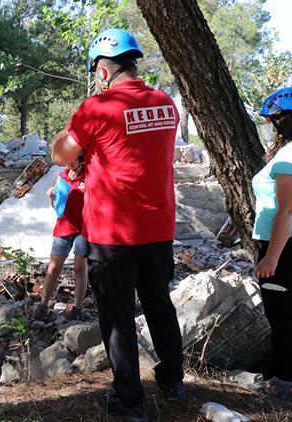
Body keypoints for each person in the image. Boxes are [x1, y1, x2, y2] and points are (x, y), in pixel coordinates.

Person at [51, 28, 185, 421]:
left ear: (103, 71)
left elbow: (61, 154)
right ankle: (173, 380)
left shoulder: (98, 108)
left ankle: (130, 402)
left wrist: (78, 132)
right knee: (160, 304)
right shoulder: (166, 103)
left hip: (113, 234)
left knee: (117, 317)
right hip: (159, 229)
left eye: (96, 73)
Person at [252, 87, 292, 402]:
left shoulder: (291, 155)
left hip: (284, 246)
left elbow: (286, 211)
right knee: (290, 316)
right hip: (290, 244)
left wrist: (271, 258)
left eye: (270, 119)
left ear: (281, 119)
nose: (267, 124)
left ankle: (282, 383)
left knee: (281, 319)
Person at [34, 153, 88, 321]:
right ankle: (43, 305)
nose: (67, 160)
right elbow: (57, 206)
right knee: (54, 268)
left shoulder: (89, 176)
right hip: (63, 227)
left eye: (70, 157)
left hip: (84, 228)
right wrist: (51, 197)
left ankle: (77, 307)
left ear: (80, 159)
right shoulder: (61, 176)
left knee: (80, 268)